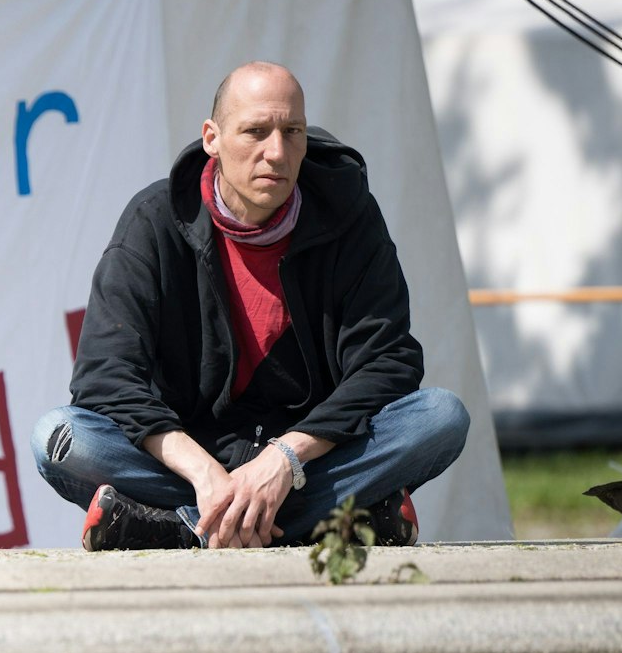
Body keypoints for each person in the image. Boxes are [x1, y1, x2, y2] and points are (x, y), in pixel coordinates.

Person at [31, 62, 469, 550]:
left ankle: (182, 529)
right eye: (256, 131)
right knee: (59, 437)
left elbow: (389, 361)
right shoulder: (151, 221)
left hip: (308, 459)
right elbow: (103, 377)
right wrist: (206, 475)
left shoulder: (350, 215)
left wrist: (284, 460)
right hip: (190, 464)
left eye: (292, 131)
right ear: (211, 138)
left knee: (441, 417)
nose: (277, 152)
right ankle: (321, 521)